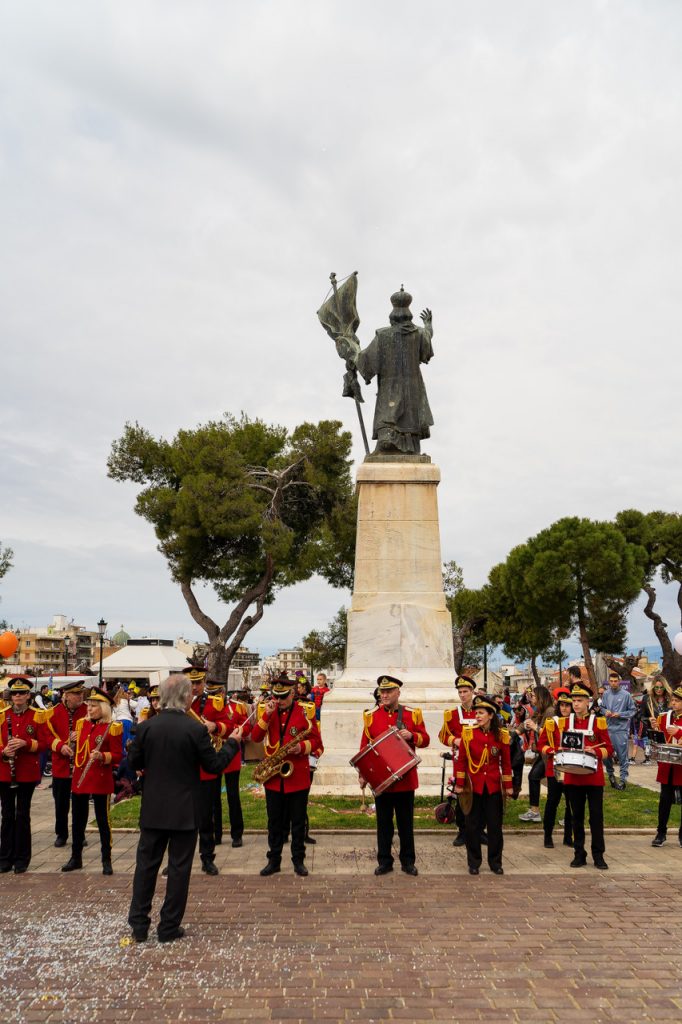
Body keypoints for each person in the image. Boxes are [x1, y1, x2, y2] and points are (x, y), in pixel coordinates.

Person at [127, 674, 243, 943]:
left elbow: (134, 762)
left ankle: (139, 924)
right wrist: (233, 743)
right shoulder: (194, 730)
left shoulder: (146, 727)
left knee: (146, 866)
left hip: (154, 807)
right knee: (179, 870)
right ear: (187, 697)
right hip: (184, 809)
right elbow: (214, 765)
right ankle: (168, 926)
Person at [357, 675, 429, 876]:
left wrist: (412, 736)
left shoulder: (412, 714)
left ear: (398, 692)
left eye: (389, 691)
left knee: (406, 823)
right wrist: (363, 773)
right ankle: (384, 861)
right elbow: (365, 747)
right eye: (382, 691)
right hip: (382, 779)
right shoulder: (371, 716)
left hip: (405, 778)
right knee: (384, 824)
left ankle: (408, 861)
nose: (385, 695)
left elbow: (426, 740)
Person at [252, 674, 323, 877]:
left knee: (298, 822)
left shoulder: (305, 712)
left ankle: (298, 860)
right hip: (274, 778)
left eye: (283, 696)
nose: (279, 700)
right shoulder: (268, 710)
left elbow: (317, 742)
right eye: (276, 696)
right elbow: (256, 736)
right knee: (274, 822)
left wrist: (300, 747)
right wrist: (266, 715)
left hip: (297, 777)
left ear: (292, 693)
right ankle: (273, 860)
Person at [355, 286, 434, 455]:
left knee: (388, 419)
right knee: (410, 421)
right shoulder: (419, 333)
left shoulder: (383, 336)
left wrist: (351, 348)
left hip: (389, 392)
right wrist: (428, 326)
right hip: (412, 391)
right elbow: (426, 343)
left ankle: (387, 445)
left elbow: (364, 362)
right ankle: (409, 449)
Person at [62, 688, 123, 875]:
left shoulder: (112, 727)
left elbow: (118, 755)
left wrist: (102, 756)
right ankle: (76, 857)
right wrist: (69, 743)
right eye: (88, 705)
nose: (89, 709)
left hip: (100, 779)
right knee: (78, 820)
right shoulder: (81, 724)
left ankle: (106, 859)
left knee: (103, 820)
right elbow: (77, 747)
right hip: (81, 778)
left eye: (94, 706)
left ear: (103, 708)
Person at [454, 694, 513, 875]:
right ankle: (474, 862)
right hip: (474, 787)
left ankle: (495, 862)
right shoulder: (468, 733)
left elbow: (506, 763)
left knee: (495, 826)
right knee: (472, 826)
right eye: (476, 713)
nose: (477, 716)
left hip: (494, 786)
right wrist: (460, 783)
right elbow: (462, 760)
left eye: (481, 713)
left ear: (491, 715)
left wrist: (508, 785)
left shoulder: (501, 735)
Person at [0, 677, 50, 873]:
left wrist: (26, 744)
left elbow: (45, 744)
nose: (17, 696)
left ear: (29, 695)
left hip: (27, 772)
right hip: (5, 772)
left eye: (21, 693)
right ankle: (5, 857)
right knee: (6, 815)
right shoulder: (2, 715)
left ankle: (22, 858)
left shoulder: (37, 716)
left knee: (22, 814)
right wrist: (4, 751)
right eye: (14, 693)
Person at [560, 683, 613, 870]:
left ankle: (598, 855)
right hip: (573, 777)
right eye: (573, 700)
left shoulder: (598, 722)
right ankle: (579, 853)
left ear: (588, 702)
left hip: (593, 777)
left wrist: (595, 752)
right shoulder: (564, 722)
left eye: (579, 701)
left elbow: (609, 748)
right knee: (576, 818)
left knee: (596, 817)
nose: (575, 704)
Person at [186, 668, 231, 875]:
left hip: (206, 767)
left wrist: (215, 726)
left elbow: (229, 726)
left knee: (206, 817)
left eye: (197, 683)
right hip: (185, 767)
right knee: (181, 817)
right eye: (191, 683)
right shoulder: (180, 704)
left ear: (203, 682)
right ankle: (179, 857)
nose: (194, 687)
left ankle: (207, 857)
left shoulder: (215, 702)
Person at [44, 680, 88, 848]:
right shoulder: (53, 712)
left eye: (81, 693)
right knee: (60, 803)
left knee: (81, 803)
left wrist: (82, 735)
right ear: (66, 695)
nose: (80, 696)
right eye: (77, 694)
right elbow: (47, 736)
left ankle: (80, 834)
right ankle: (61, 833)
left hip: (80, 764)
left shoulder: (87, 711)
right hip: (61, 765)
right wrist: (61, 746)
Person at [439, 675, 478, 847]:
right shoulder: (452, 714)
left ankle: (478, 831)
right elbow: (442, 735)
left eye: (465, 691)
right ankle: (462, 831)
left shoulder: (482, 710)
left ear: (472, 692)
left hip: (479, 761)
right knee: (462, 795)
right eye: (460, 692)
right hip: (460, 762)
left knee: (479, 797)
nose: (462, 695)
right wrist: (453, 740)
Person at [213, 687, 251, 849]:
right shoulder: (206, 708)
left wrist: (238, 729)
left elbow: (247, 726)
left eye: (218, 693)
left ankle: (237, 834)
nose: (216, 697)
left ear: (223, 693)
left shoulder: (236, 707)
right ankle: (216, 834)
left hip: (232, 757)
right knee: (213, 798)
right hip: (212, 755)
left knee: (233, 796)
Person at [537, 691, 574, 849]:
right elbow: (541, 745)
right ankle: (548, 835)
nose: (565, 708)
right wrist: (552, 750)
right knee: (552, 802)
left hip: (573, 768)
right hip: (556, 767)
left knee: (572, 804)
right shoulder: (551, 722)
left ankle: (568, 836)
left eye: (568, 705)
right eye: (562, 705)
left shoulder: (576, 722)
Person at [651, 684, 682, 848]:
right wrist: (654, 727)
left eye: (677, 701)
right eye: (673, 700)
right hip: (667, 765)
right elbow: (658, 738)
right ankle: (661, 832)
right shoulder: (664, 717)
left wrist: (678, 732)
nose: (674, 703)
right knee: (664, 800)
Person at [518, 686, 554, 823]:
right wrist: (515, 732)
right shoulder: (539, 710)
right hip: (543, 753)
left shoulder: (550, 712)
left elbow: (549, 733)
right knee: (534, 776)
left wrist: (535, 727)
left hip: (550, 754)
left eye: (533, 696)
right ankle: (534, 811)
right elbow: (526, 723)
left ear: (540, 697)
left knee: (557, 785)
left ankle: (570, 814)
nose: (531, 698)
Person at [601, 670, 636, 790]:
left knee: (622, 757)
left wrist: (620, 714)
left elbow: (632, 711)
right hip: (608, 729)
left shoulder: (626, 695)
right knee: (606, 756)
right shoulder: (605, 694)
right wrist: (605, 711)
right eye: (611, 681)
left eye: (615, 681)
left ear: (619, 682)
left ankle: (622, 780)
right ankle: (611, 775)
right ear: (608, 682)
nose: (613, 683)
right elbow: (602, 708)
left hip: (621, 730)